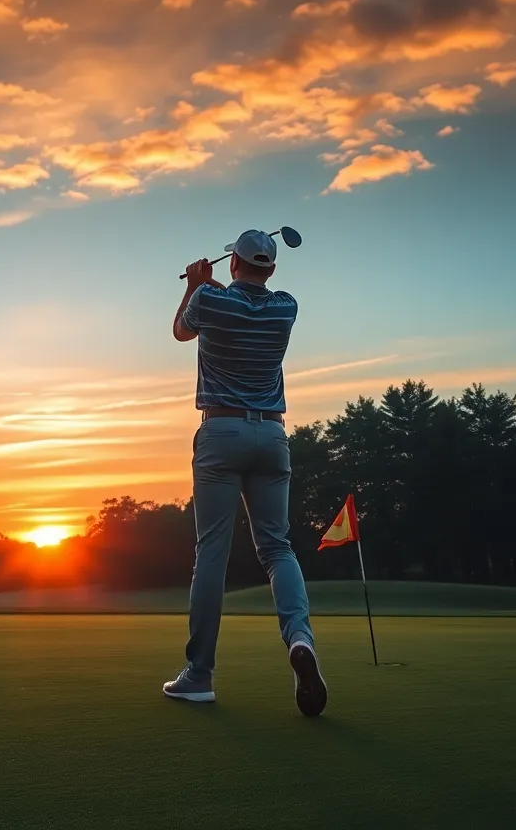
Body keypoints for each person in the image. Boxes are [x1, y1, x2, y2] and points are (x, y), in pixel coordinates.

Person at [161, 228, 327, 717]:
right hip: (271, 437)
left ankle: (199, 675)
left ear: (233, 262)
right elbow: (252, 293)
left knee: (212, 551)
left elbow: (180, 331)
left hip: (221, 431)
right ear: (271, 268)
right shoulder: (286, 306)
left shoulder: (210, 299)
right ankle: (300, 641)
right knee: (277, 548)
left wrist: (193, 283)